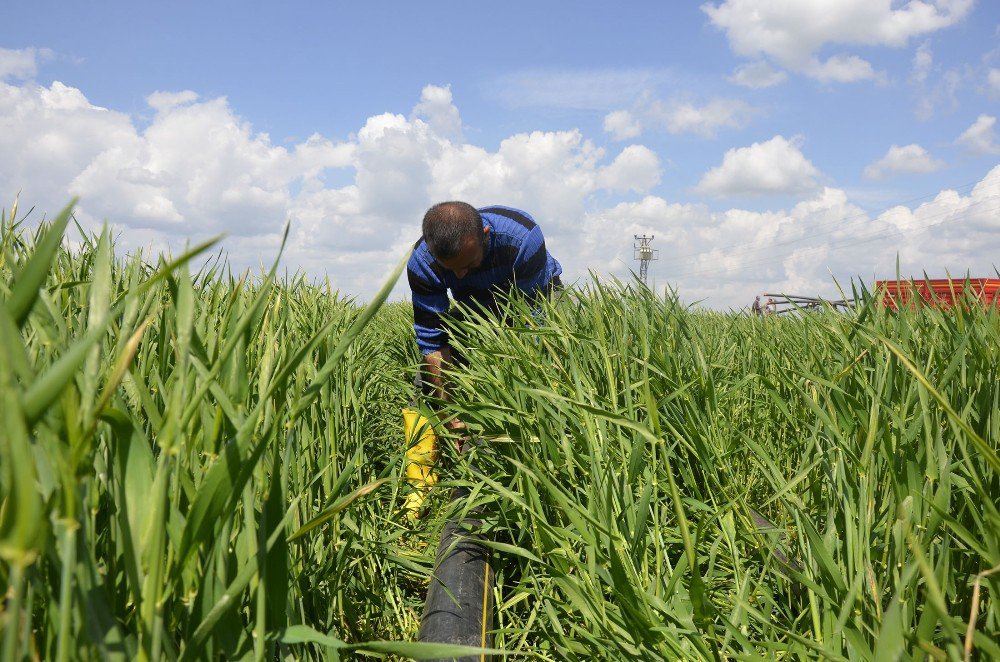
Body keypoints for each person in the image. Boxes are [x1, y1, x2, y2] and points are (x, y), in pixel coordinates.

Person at [407, 201, 562, 430]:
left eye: (468, 264)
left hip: (537, 296)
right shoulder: (422, 263)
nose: (459, 275)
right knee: (425, 384)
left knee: (558, 356)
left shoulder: (522, 238)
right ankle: (436, 453)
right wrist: (447, 412)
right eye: (450, 269)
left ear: (485, 236)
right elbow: (433, 340)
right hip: (476, 303)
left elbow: (535, 325)